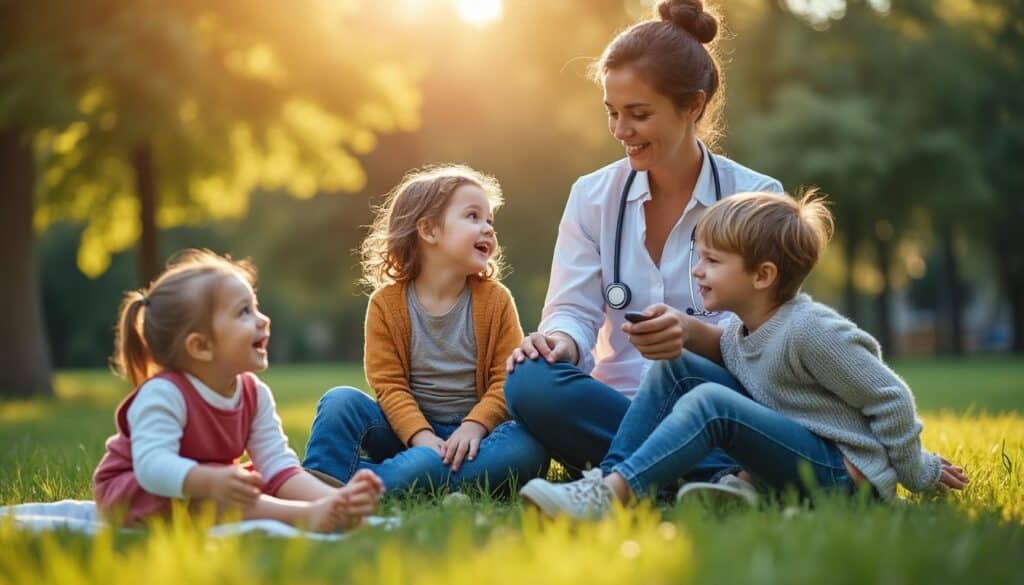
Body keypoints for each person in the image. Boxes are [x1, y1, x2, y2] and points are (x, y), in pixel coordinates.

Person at [518, 192, 970, 518]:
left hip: (843, 478)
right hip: (795, 460)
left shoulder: (810, 329)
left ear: (763, 275)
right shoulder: (741, 329)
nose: (697, 270)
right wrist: (678, 330)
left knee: (711, 405)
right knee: (674, 362)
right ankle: (612, 482)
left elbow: (889, 396)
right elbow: (724, 356)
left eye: (713, 261)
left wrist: (918, 471)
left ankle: (615, 494)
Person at [504, 0, 781, 478]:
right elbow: (573, 310)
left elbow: (779, 341)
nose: (620, 130)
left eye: (638, 114)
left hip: (712, 402)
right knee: (529, 381)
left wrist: (700, 337)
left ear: (693, 105)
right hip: (614, 404)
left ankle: (627, 474)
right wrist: (558, 344)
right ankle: (715, 473)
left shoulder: (757, 197)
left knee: (711, 406)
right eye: (611, 112)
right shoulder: (592, 197)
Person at [93, 250, 383, 531]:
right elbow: (152, 467)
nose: (263, 319)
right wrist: (209, 480)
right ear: (201, 346)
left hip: (210, 481)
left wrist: (336, 498)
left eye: (256, 306)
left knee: (256, 481)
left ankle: (326, 508)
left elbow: (278, 467)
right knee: (222, 495)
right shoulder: (164, 394)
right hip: (138, 490)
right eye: (244, 312)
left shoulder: (254, 395)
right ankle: (303, 516)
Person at [303, 165, 549, 495]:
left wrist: (474, 427)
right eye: (473, 217)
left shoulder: (496, 301)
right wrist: (420, 437)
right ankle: (319, 480)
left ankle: (369, 481)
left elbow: (506, 380)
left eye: (490, 220)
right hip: (405, 431)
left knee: (526, 448)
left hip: (476, 439)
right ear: (429, 230)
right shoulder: (386, 304)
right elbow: (389, 385)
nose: (489, 229)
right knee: (339, 401)